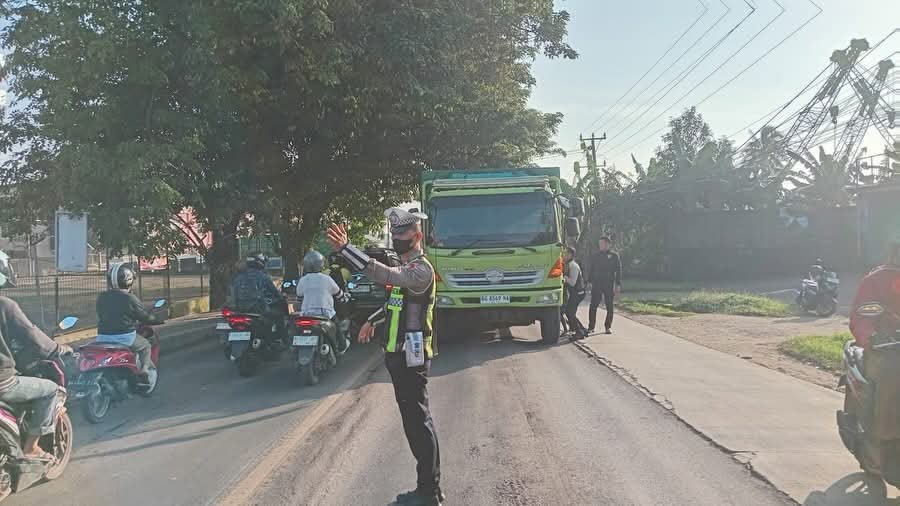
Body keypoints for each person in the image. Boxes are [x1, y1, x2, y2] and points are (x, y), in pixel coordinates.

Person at [327, 207, 443, 506]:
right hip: (397, 355)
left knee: (419, 422)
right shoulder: (405, 270)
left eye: (402, 232)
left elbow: (385, 274)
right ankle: (426, 487)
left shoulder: (421, 270)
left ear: (416, 236)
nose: (396, 237)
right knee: (413, 422)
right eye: (394, 232)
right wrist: (372, 320)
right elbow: (394, 302)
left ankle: (429, 492)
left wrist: (346, 250)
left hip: (412, 357)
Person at [0, 249, 69, 460]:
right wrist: (58, 349)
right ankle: (31, 447)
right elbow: (32, 335)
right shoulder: (6, 305)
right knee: (50, 390)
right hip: (3, 383)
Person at [848, 236, 900, 450]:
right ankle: (887, 441)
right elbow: (861, 318)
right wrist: (870, 336)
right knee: (892, 372)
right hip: (887, 347)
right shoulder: (876, 280)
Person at [96, 263, 164, 381]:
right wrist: (158, 320)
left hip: (102, 337)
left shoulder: (101, 297)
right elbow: (144, 317)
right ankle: (144, 370)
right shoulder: (130, 298)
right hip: (125, 337)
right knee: (145, 346)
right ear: (129, 280)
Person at [296, 250, 351, 353]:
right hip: (325, 314)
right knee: (337, 326)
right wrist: (344, 298)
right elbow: (339, 294)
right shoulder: (327, 279)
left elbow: (299, 298)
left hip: (306, 314)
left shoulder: (303, 280)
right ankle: (342, 346)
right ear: (321, 264)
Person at [230, 251, 287, 342]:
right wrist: (281, 297)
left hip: (240, 310)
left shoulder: (238, 278)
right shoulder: (263, 277)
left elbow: (233, 295)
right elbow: (275, 293)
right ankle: (280, 339)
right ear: (260, 263)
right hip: (258, 309)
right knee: (279, 315)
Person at [587, 236, 622, 334]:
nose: (600, 245)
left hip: (609, 284)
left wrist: (618, 284)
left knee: (609, 306)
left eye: (602, 244)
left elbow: (618, 271)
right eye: (599, 244)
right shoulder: (596, 255)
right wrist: (589, 281)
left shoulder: (614, 256)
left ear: (607, 244)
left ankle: (608, 327)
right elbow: (592, 269)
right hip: (597, 284)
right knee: (593, 305)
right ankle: (591, 327)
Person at [563, 247, 588, 340]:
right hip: (575, 293)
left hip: (579, 292)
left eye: (565, 254)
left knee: (569, 312)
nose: (563, 255)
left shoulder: (573, 266)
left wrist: (564, 278)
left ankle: (579, 333)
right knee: (569, 312)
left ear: (571, 255)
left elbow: (572, 282)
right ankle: (582, 330)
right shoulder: (568, 264)